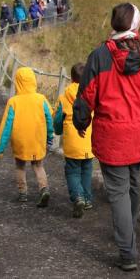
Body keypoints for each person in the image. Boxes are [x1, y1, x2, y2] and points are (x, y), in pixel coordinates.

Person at [73, 3, 140, 272]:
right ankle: (126, 231)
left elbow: (86, 95)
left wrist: (81, 121)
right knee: (133, 184)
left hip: (111, 137)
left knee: (118, 192)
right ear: (136, 26)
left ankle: (127, 251)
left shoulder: (98, 57)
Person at [0, 67, 53, 207]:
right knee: (38, 165)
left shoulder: (13, 102)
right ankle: (44, 188)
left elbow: (6, 126)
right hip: (37, 139)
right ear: (33, 81)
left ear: (18, 82)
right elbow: (50, 118)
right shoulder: (41, 99)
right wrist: (50, 135)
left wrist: (0, 148)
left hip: (20, 141)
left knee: (20, 166)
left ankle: (23, 193)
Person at [52, 63, 93, 217]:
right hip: (89, 142)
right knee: (86, 171)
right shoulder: (92, 95)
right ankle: (88, 199)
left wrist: (58, 131)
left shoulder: (64, 98)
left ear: (71, 78)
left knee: (73, 172)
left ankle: (78, 197)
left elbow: (57, 120)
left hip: (72, 143)